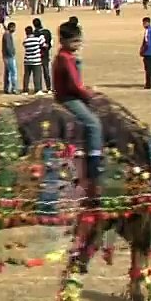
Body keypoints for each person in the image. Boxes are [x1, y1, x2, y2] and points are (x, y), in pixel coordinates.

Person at [51, 21, 103, 193]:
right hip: (68, 98)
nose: (78, 44)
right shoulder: (66, 59)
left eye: (79, 40)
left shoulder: (66, 56)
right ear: (63, 41)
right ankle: (94, 167)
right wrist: (89, 95)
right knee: (94, 124)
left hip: (70, 94)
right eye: (74, 41)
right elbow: (75, 85)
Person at [32, 17, 52, 93]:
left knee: (37, 72)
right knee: (46, 71)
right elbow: (50, 43)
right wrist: (47, 48)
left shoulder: (34, 33)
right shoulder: (47, 32)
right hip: (45, 54)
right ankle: (48, 88)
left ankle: (38, 88)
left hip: (37, 54)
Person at [1, 21, 18, 94]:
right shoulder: (7, 35)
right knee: (13, 72)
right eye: (14, 27)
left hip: (6, 56)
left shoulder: (7, 34)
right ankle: (14, 88)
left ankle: (7, 88)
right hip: (9, 56)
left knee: (7, 73)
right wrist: (12, 54)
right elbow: (8, 46)